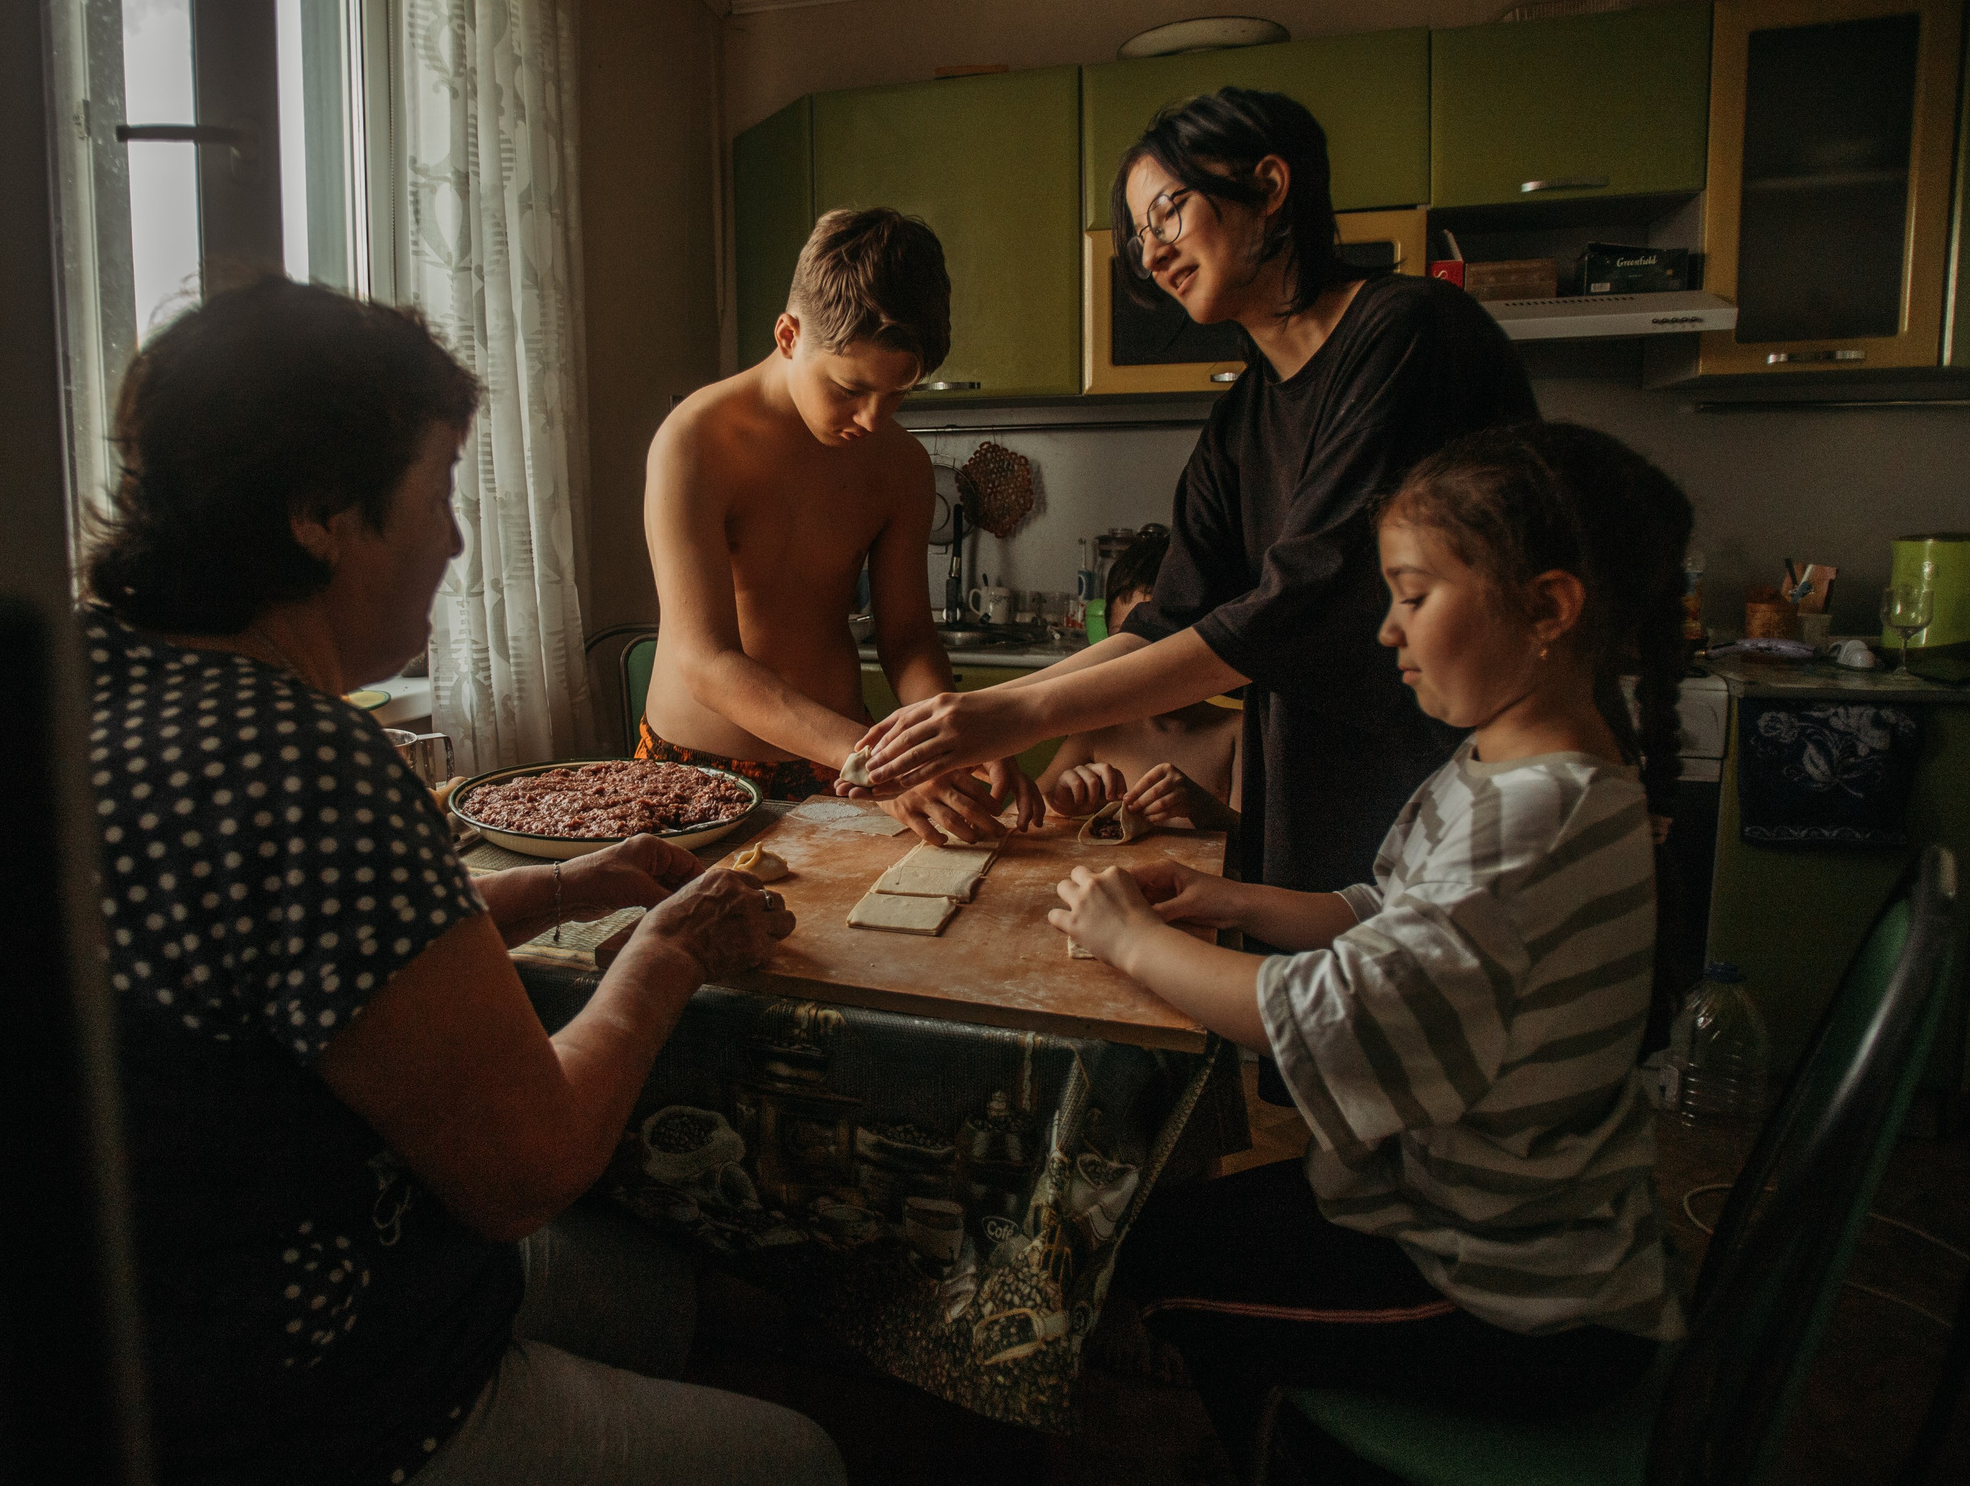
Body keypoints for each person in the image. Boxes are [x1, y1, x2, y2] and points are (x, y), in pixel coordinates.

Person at [81, 277, 844, 1486]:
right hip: (309, 1402)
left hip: (139, 1346)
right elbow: (528, 1169)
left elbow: (317, 955)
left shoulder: (98, 678)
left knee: (656, 1293)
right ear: (321, 516)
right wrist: (671, 950)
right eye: (437, 492)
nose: (453, 541)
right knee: (798, 1459)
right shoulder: (304, 758)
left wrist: (562, 887)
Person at [1045, 422, 1694, 1473]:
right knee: (1162, 1221)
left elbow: (1324, 1016)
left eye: (1413, 595)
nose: (1387, 630)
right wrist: (1235, 898)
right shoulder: (1513, 771)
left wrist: (1127, 938)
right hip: (1482, 1222)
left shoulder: (1531, 823)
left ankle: (1307, 1453)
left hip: (1500, 1296)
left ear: (1548, 608)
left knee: (1145, 1262)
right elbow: (1386, 912)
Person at [852, 90, 1538, 1018]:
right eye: (1138, 236)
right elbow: (1167, 619)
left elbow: (1299, 602)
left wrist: (1010, 714)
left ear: (1270, 186)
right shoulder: (1241, 419)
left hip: (1441, 772)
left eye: (1168, 212)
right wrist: (980, 713)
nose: (1152, 252)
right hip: (1319, 794)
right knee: (1317, 1036)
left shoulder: (1407, 334)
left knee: (1423, 1034)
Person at [642, 206, 1039, 844]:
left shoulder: (901, 465)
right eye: (850, 389)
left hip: (841, 767)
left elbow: (907, 638)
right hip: (696, 770)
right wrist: (877, 761)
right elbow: (705, 660)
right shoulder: (694, 442)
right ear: (788, 335)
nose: (873, 419)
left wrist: (951, 738)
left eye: (898, 393)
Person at [1037, 523, 1242, 833]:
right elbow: (1019, 816)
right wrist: (1059, 804)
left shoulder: (1235, 732)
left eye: (1164, 644)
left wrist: (1203, 807)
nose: (1145, 666)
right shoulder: (1096, 728)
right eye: (1130, 644)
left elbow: (1258, 844)